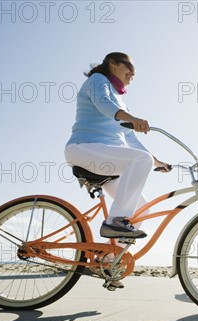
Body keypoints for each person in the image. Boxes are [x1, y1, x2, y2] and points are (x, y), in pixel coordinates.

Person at [65, 52, 171, 240]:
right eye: (130, 67)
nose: (133, 73)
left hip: (106, 158)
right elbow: (103, 103)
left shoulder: (119, 100)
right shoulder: (98, 80)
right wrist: (131, 118)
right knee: (141, 160)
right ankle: (114, 221)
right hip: (84, 147)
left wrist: (157, 162)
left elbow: (131, 140)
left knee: (141, 207)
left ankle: (111, 257)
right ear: (113, 64)